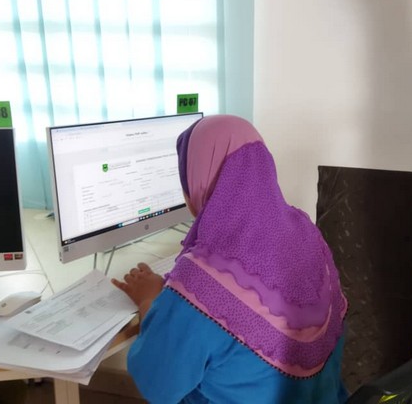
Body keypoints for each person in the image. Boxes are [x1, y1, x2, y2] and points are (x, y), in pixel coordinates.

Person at [112, 114, 348, 404]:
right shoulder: (305, 232)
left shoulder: (201, 280)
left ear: (196, 182)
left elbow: (158, 383)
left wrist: (149, 300)